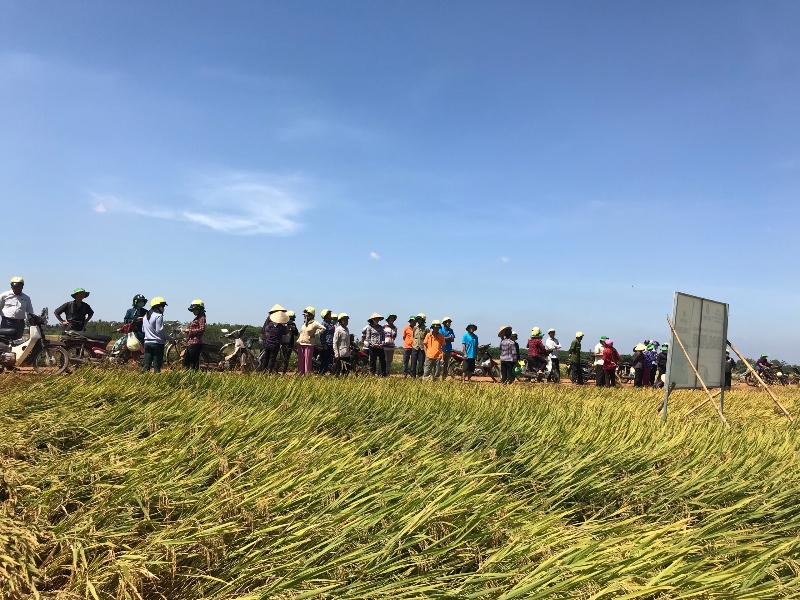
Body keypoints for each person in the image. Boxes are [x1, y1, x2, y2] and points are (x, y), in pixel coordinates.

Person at [142, 297, 174, 374]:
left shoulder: (145, 316)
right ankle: (157, 382)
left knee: (146, 364)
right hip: (157, 344)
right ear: (157, 307)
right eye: (162, 306)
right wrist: (170, 338)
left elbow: (143, 330)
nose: (163, 308)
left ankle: (143, 380)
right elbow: (159, 330)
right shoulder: (158, 316)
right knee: (157, 365)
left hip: (147, 343)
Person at [259, 306, 289, 373]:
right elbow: (285, 333)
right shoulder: (281, 327)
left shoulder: (270, 325)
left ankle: (263, 371)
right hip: (275, 344)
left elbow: (267, 330)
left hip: (268, 343)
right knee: (272, 359)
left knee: (266, 358)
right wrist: (286, 327)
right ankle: (269, 372)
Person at [297, 307, 326, 375]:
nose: (304, 316)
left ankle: (307, 374)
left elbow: (323, 328)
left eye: (306, 315)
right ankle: (300, 374)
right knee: (300, 360)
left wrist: (316, 333)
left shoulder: (315, 323)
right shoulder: (304, 323)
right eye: (304, 315)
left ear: (311, 315)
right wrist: (297, 341)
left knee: (307, 361)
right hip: (301, 343)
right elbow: (301, 333)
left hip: (309, 344)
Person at [182, 300, 207, 371]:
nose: (193, 311)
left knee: (188, 363)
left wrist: (189, 331)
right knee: (193, 363)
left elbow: (201, 329)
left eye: (194, 309)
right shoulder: (198, 317)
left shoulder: (201, 318)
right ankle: (193, 376)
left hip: (195, 342)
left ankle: (190, 376)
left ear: (199, 309)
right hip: (192, 342)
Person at [318, 309, 336, 375]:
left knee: (329, 359)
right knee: (325, 360)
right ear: (326, 316)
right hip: (327, 344)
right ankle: (321, 373)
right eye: (329, 314)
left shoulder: (329, 323)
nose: (330, 315)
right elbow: (322, 335)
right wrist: (324, 344)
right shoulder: (324, 324)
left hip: (331, 343)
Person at [411, 313, 428, 379]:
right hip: (415, 347)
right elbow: (413, 336)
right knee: (413, 363)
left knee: (421, 364)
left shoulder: (426, 329)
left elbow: (427, 339)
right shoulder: (415, 328)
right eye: (417, 319)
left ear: (423, 320)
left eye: (419, 319)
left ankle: (420, 376)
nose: (418, 321)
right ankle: (413, 377)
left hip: (422, 348)